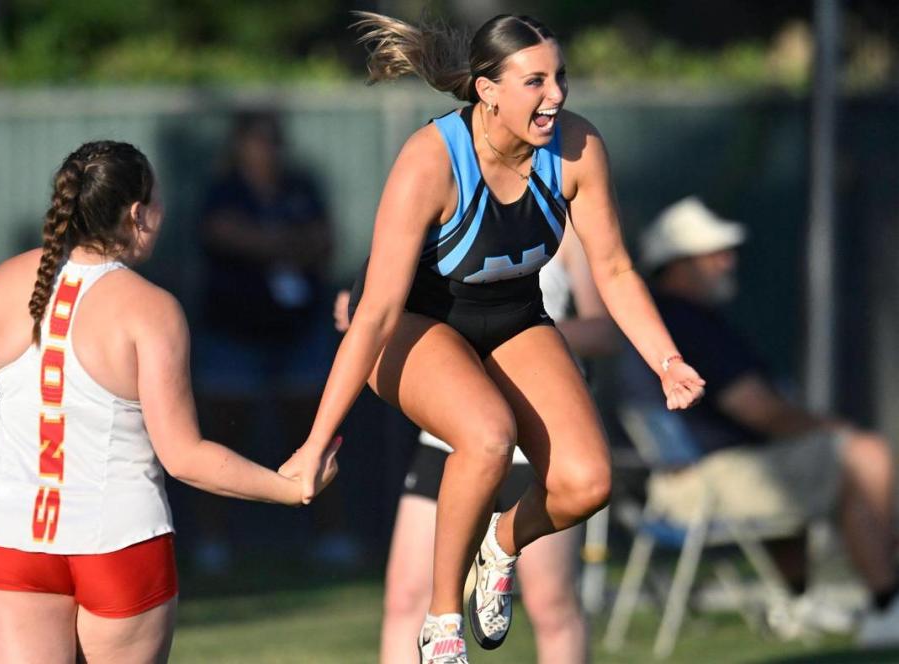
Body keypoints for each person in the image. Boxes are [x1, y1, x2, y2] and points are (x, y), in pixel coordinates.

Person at [279, 13, 705, 663]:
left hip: (511, 319)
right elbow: (374, 315)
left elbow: (614, 269)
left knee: (585, 484)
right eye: (535, 80)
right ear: (489, 91)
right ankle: (443, 622)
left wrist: (665, 359)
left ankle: (500, 544)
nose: (555, 95)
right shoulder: (431, 159)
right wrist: (316, 442)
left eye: (559, 76)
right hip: (416, 326)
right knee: (485, 434)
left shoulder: (576, 148)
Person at [0, 140, 339, 663]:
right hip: (121, 547)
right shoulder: (151, 309)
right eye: (157, 200)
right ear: (136, 214)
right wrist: (289, 489)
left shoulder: (1, 283)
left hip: (13, 547)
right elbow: (184, 456)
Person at [615, 196, 899, 646]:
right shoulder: (683, 323)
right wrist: (834, 432)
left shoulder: (680, 318)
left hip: (710, 477)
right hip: (699, 486)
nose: (728, 261)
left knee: (810, 460)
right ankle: (886, 603)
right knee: (865, 455)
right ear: (678, 265)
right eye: (713, 253)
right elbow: (760, 411)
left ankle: (800, 599)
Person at [336, 227, 616, 663]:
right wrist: (376, 311)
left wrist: (518, 331)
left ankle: (501, 542)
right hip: (452, 435)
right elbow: (382, 305)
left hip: (536, 432)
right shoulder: (447, 206)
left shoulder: (561, 213)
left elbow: (604, 330)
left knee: (550, 601)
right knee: (407, 594)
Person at [193, 110, 341, 571]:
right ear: (240, 146)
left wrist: (266, 242)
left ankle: (329, 536)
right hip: (233, 333)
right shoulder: (223, 191)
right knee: (219, 438)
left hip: (297, 331)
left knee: (314, 435)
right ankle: (214, 542)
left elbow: (323, 240)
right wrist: (282, 243)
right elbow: (223, 234)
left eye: (274, 140)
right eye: (258, 141)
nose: (267, 150)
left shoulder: (301, 188)